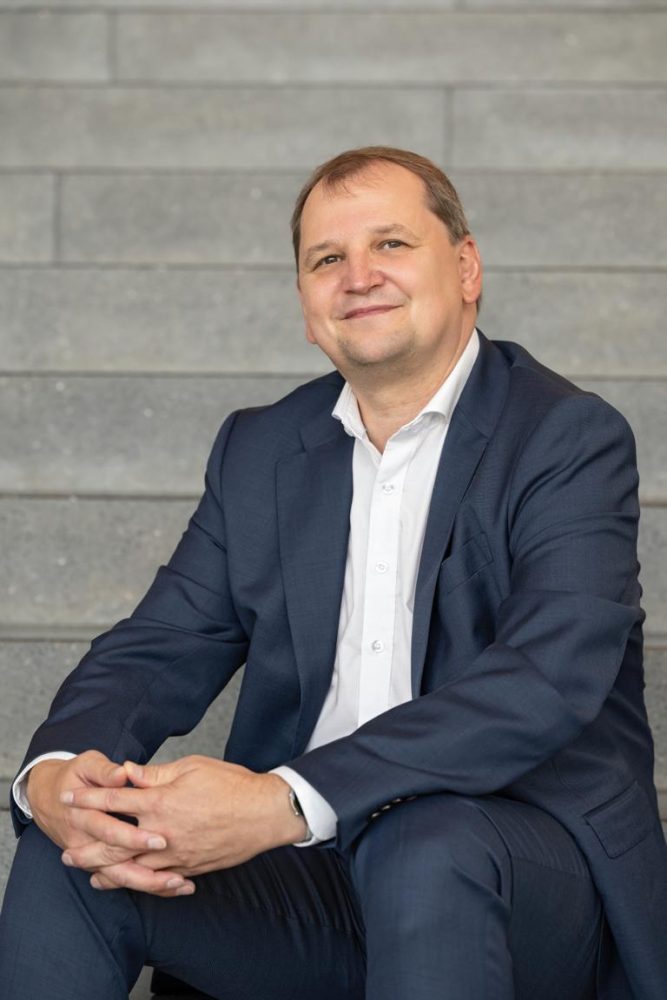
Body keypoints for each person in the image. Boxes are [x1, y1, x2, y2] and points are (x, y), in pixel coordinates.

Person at [0, 146, 665, 1000]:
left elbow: (543, 679)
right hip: (313, 878)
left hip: (519, 876)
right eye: (326, 259)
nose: (358, 276)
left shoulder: (564, 437)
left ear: (465, 269)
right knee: (74, 855)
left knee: (424, 842)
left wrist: (283, 800)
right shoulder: (261, 449)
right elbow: (159, 643)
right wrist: (58, 775)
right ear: (307, 309)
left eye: (390, 244)